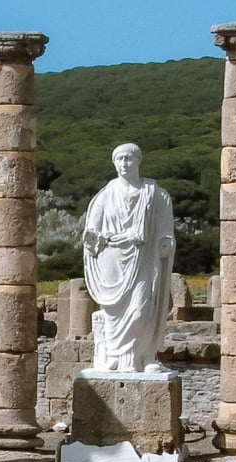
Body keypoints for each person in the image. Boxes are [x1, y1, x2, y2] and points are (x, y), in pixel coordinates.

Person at [82, 143, 176, 373]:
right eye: (120, 159)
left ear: (138, 161)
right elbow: (91, 235)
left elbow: (166, 230)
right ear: (114, 163)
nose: (124, 164)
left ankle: (144, 356)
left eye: (129, 159)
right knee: (113, 313)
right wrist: (95, 238)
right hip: (112, 262)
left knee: (140, 311)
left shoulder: (156, 195)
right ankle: (116, 357)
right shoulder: (104, 197)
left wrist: (165, 243)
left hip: (144, 259)